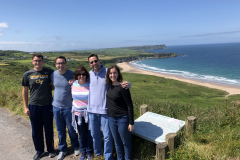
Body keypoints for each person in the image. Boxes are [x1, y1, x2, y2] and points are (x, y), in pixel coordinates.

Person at [87, 54, 130, 160]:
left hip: (105, 110)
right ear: (89, 64)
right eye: (91, 62)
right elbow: (81, 83)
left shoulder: (107, 72)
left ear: (99, 60)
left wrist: (128, 83)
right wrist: (72, 83)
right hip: (92, 110)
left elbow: (116, 82)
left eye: (95, 61)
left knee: (107, 136)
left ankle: (108, 156)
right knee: (94, 134)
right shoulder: (89, 74)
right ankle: (97, 153)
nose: (94, 63)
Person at [22, 53, 56, 160]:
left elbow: (54, 86)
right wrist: (25, 107)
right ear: (32, 62)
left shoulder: (49, 72)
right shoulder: (27, 74)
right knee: (36, 130)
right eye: (36, 60)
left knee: (49, 129)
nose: (38, 62)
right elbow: (25, 91)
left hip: (47, 105)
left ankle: (51, 149)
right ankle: (39, 151)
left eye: (40, 60)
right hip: (34, 106)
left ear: (43, 61)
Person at [50, 56, 80, 160]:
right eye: (58, 63)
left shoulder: (72, 74)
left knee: (71, 129)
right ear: (55, 64)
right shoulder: (53, 75)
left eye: (62, 63)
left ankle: (76, 146)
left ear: (65, 64)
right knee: (60, 130)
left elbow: (80, 86)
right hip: (56, 107)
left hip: (69, 107)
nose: (60, 65)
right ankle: (63, 150)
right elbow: (52, 86)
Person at [106, 65, 134, 160]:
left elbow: (130, 105)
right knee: (117, 142)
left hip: (123, 119)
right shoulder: (108, 86)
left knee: (125, 142)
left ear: (118, 74)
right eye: (110, 73)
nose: (112, 75)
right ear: (108, 74)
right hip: (111, 119)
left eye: (114, 73)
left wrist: (131, 122)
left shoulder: (123, 87)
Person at [71, 65, 93, 160]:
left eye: (83, 74)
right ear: (76, 75)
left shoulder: (90, 84)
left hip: (89, 114)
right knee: (81, 134)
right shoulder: (73, 84)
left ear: (86, 75)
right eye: (79, 74)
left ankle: (89, 151)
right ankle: (83, 152)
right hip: (78, 114)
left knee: (90, 133)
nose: (81, 76)